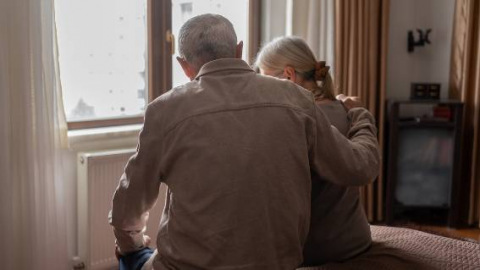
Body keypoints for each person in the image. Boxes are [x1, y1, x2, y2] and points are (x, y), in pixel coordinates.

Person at [109, 14, 380, 270]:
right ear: (239, 50)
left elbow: (127, 208)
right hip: (277, 264)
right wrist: (360, 115)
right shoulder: (296, 98)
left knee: (130, 253)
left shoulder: (164, 110)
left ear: (183, 65)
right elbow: (359, 168)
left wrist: (132, 245)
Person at [255, 36, 373, 266]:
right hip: (354, 237)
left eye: (264, 79)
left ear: (288, 75)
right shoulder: (344, 108)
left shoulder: (298, 121)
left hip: (318, 248)